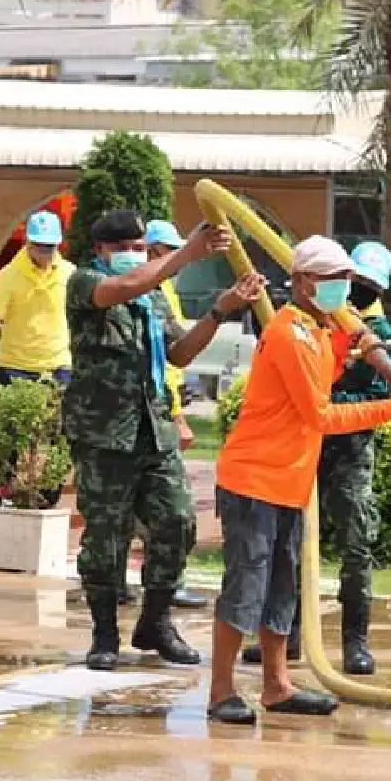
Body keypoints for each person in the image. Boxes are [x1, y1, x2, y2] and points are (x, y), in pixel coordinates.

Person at [207, 235, 391, 725]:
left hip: (288, 482)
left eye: (346, 280)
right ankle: (221, 691)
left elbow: (330, 357)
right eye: (333, 280)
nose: (342, 290)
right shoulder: (289, 333)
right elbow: (320, 415)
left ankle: (276, 685)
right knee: (246, 586)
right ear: (304, 282)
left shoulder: (318, 329)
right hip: (253, 480)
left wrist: (356, 343)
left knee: (283, 587)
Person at [65, 208, 260, 670]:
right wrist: (188, 254)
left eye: (138, 247)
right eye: (122, 248)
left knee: (177, 522)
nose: (131, 255)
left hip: (154, 431)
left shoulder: (153, 300)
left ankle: (155, 621)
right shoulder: (84, 283)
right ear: (100, 251)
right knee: (106, 539)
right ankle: (105, 634)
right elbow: (125, 287)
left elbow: (178, 353)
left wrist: (219, 311)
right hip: (104, 435)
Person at [239, 240, 391, 674]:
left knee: (355, 541)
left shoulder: (381, 336)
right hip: (305, 445)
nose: (356, 291)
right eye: (353, 281)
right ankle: (286, 634)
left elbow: (374, 393)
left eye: (363, 284)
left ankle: (355, 641)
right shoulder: (314, 324)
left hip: (349, 450)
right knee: (290, 545)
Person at [140, 218, 208, 611]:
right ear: (153, 252)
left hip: (164, 405)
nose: (179, 259)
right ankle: (162, 584)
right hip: (154, 411)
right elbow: (161, 365)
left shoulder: (165, 291)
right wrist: (178, 416)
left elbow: (175, 357)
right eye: (170, 251)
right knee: (164, 506)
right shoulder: (147, 289)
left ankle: (164, 583)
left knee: (164, 507)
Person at [0, 210, 74, 391]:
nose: (45, 252)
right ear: (27, 242)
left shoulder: (69, 273)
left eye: (50, 246)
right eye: (39, 246)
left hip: (59, 366)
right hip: (15, 368)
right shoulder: (7, 276)